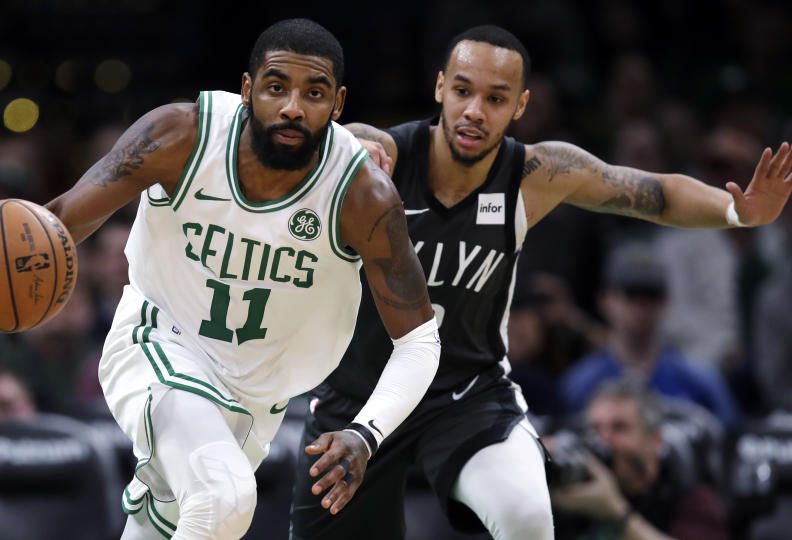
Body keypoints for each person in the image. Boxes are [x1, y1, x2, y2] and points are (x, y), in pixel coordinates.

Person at [0, 19, 440, 540]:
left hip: (255, 402)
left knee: (190, 517)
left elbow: (420, 341)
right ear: (247, 89)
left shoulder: (362, 196)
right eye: (276, 87)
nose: (292, 106)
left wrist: (366, 432)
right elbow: (58, 224)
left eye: (313, 93)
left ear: (337, 105)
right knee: (225, 495)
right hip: (159, 342)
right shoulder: (180, 136)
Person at [290, 25, 792, 540]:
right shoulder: (379, 161)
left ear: (521, 105)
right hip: (360, 399)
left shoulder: (534, 173)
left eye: (496, 98)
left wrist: (737, 210)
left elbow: (656, 193)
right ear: (440, 87)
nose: (475, 111)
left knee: (525, 516)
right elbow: (324, 143)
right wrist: (349, 142)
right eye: (463, 91)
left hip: (465, 398)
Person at [559, 242, 740, 428]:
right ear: (606, 301)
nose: (641, 307)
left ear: (666, 303)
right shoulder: (578, 384)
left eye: (651, 296)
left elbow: (730, 443)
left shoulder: (701, 382)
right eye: (631, 295)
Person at [551, 378, 728, 540]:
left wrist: (615, 513)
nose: (603, 441)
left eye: (620, 428)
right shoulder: (573, 492)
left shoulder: (690, 497)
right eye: (595, 429)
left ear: (655, 440)